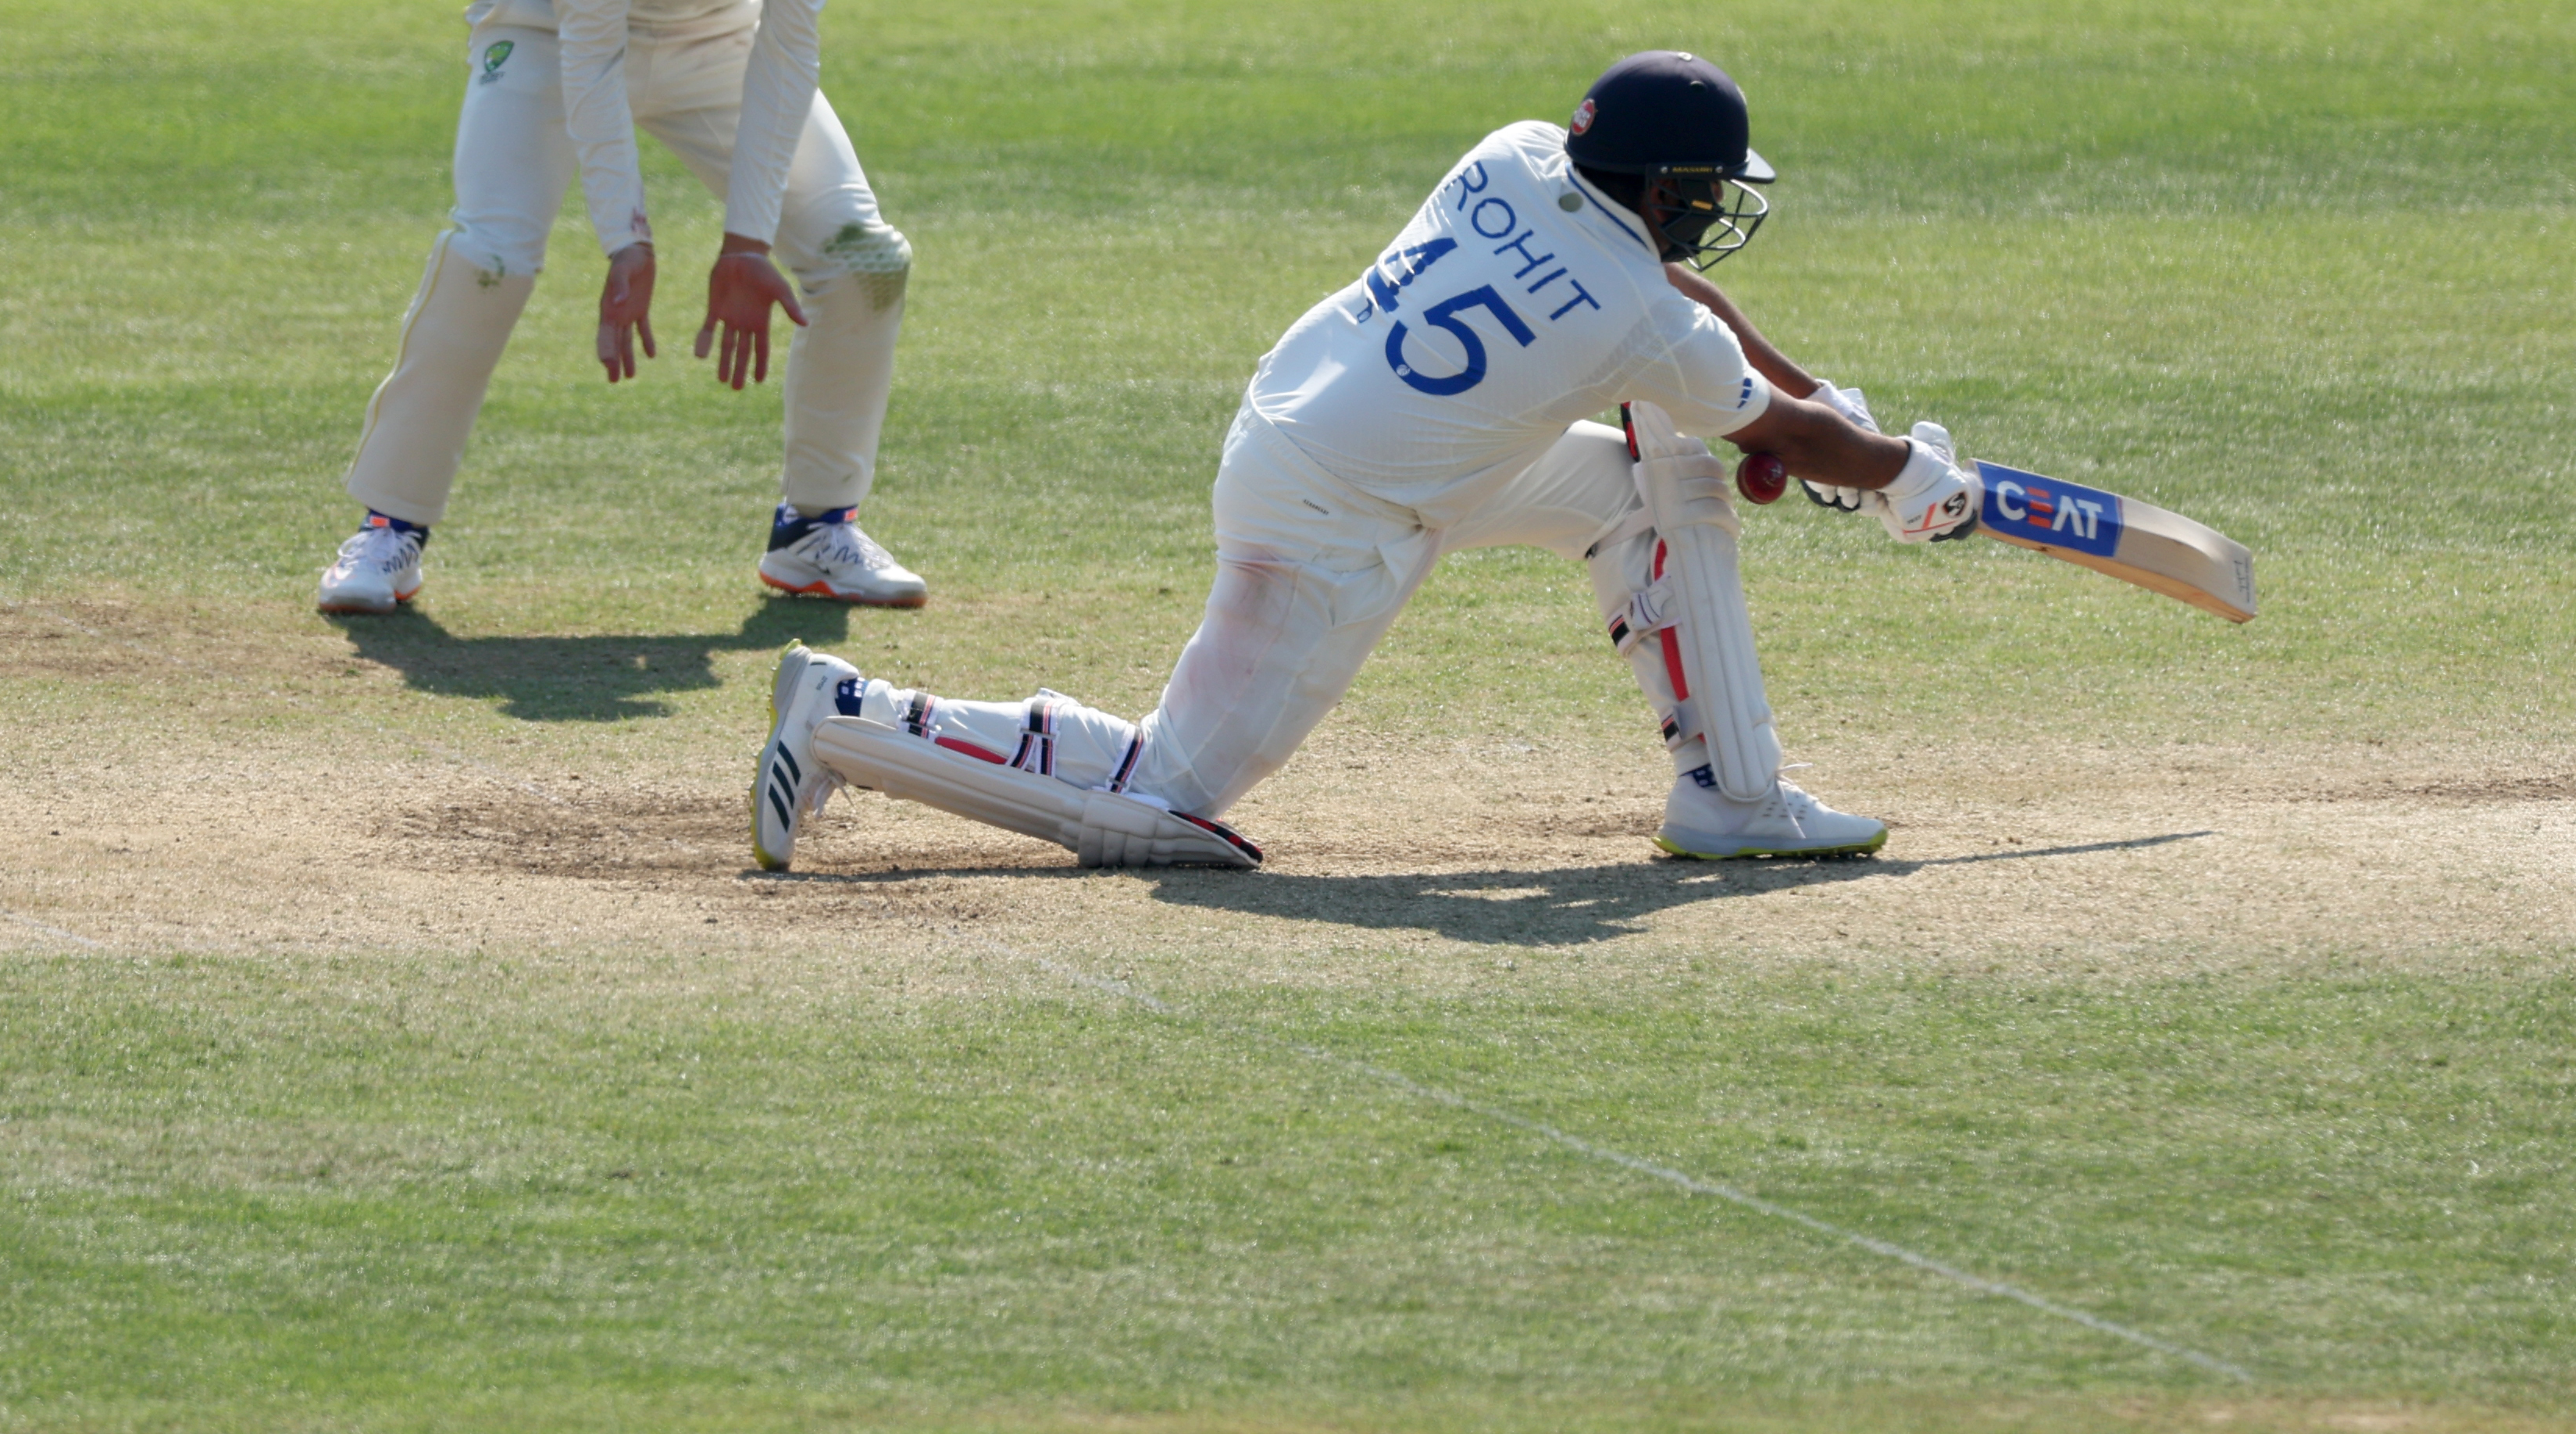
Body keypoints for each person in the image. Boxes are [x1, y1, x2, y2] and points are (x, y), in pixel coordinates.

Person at [748, 50, 1982, 872]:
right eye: (1707, 187)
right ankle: (853, 719)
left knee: (1651, 491)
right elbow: (1766, 416)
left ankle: (1732, 794)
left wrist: (1821, 422)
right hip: (1340, 515)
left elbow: (1692, 326)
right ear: (1665, 183)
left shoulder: (1514, 152)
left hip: (1328, 432)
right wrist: (1899, 472)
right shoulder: (1634, 317)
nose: (1716, 205)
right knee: (1167, 802)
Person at [319, 0, 925, 616]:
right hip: (551, 28)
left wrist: (743, 237)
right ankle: (389, 529)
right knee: (493, 255)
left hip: (716, 38)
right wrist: (626, 239)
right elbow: (593, 49)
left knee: (865, 255)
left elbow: (788, 42)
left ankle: (818, 528)